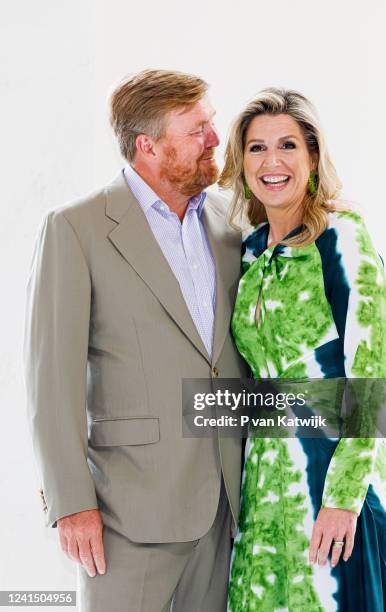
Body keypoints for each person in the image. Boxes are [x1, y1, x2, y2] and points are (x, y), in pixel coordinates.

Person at [24, 68, 246, 612]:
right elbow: (51, 381)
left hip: (224, 505)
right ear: (148, 146)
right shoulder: (75, 229)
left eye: (212, 124)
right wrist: (72, 502)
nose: (216, 140)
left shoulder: (226, 222)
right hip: (127, 512)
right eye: (197, 130)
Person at [219, 89, 386, 611]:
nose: (272, 161)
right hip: (265, 484)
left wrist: (343, 500)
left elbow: (371, 378)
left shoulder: (343, 237)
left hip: (332, 478)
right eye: (256, 148)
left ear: (313, 157)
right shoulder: (250, 251)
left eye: (288, 145)